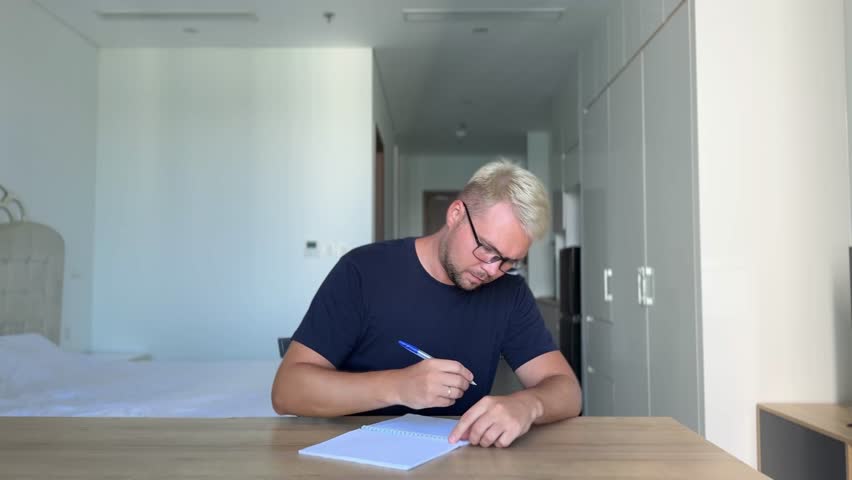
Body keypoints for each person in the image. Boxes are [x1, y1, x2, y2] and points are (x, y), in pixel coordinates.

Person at [271, 159, 582, 448]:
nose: (491, 270)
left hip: (455, 456)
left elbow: (567, 390)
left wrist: (527, 405)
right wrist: (399, 386)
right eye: (486, 249)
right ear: (456, 214)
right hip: (351, 451)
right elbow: (287, 390)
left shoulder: (509, 292)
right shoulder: (363, 271)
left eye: (508, 261)